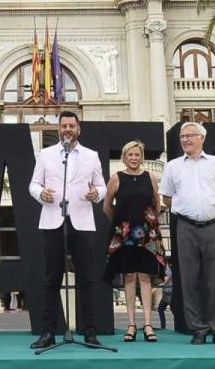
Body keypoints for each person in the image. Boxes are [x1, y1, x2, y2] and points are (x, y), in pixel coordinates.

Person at [28, 111, 107, 349]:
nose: (67, 129)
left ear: (78, 129)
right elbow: (33, 184)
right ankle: (48, 332)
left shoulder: (91, 156)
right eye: (63, 126)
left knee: (86, 278)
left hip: (82, 222)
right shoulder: (46, 154)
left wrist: (97, 195)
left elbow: (101, 186)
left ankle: (90, 331)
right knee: (51, 279)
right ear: (59, 129)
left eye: (72, 125)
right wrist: (40, 194)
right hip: (53, 220)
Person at [160, 121, 215, 345]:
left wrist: (212, 207)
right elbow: (166, 197)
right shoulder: (173, 166)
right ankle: (199, 329)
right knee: (189, 280)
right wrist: (186, 208)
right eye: (183, 136)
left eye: (190, 135)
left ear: (202, 138)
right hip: (185, 228)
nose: (185, 139)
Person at [103, 140, 166, 342]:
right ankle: (131, 325)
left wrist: (148, 222)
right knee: (129, 276)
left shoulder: (151, 177)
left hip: (147, 234)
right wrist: (122, 225)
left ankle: (148, 324)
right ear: (124, 157)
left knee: (146, 277)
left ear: (142, 157)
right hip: (125, 234)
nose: (134, 158)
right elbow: (107, 207)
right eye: (130, 154)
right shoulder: (115, 178)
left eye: (137, 154)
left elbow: (157, 204)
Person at [156, 264, 173, 330]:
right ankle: (163, 326)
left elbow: (166, 279)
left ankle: (163, 326)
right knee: (160, 309)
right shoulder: (164, 268)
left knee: (173, 309)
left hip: (169, 292)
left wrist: (158, 284)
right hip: (166, 292)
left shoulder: (167, 269)